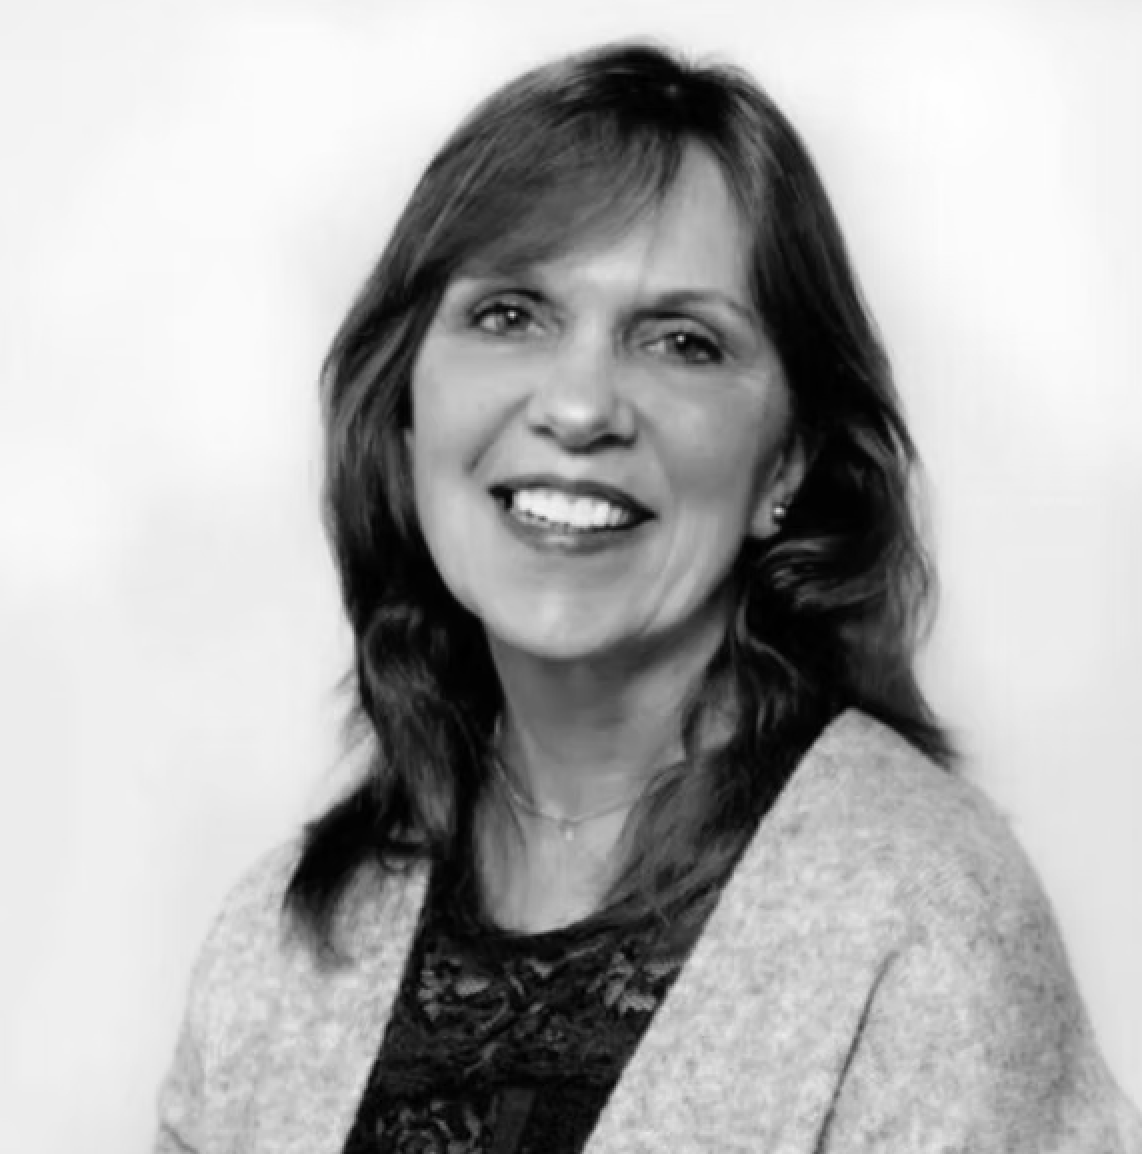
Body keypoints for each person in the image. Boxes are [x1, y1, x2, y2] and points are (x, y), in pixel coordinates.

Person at [154, 41, 1142, 1154]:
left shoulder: (919, 922)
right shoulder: (280, 937)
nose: (578, 405)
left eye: (681, 341)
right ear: (404, 409)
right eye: (512, 313)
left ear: (784, 465)